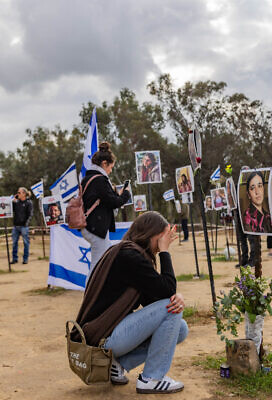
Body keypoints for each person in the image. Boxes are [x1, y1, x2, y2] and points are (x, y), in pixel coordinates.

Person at [73, 212, 187, 394]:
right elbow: (166, 294)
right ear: (151, 234)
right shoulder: (129, 257)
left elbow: (155, 298)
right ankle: (152, 378)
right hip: (103, 340)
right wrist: (165, 252)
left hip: (108, 335)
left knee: (180, 328)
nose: (163, 244)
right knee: (170, 309)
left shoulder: (128, 253)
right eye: (162, 238)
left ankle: (118, 365)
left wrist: (175, 297)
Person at [82, 142, 132, 275]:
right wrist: (126, 193)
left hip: (90, 226)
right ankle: (91, 293)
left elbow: (106, 199)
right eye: (111, 167)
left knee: (101, 262)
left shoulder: (88, 178)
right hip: (96, 228)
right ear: (104, 164)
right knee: (97, 266)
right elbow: (115, 202)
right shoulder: (100, 180)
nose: (111, 170)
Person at [12, 187, 33, 264]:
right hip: (16, 226)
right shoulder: (17, 202)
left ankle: (25, 259)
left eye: (19, 192)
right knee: (14, 243)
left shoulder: (29, 203)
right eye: (17, 192)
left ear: (24, 194)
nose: (18, 194)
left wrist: (26, 223)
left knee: (26, 243)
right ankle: (14, 259)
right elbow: (12, 211)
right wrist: (13, 201)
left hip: (24, 226)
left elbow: (30, 214)